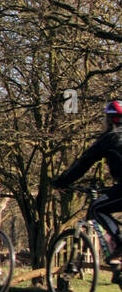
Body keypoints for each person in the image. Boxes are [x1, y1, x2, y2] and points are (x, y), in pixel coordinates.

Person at [51, 100, 122, 264]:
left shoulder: (109, 139)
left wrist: (62, 182)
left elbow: (83, 163)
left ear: (109, 119)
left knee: (97, 207)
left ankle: (120, 246)